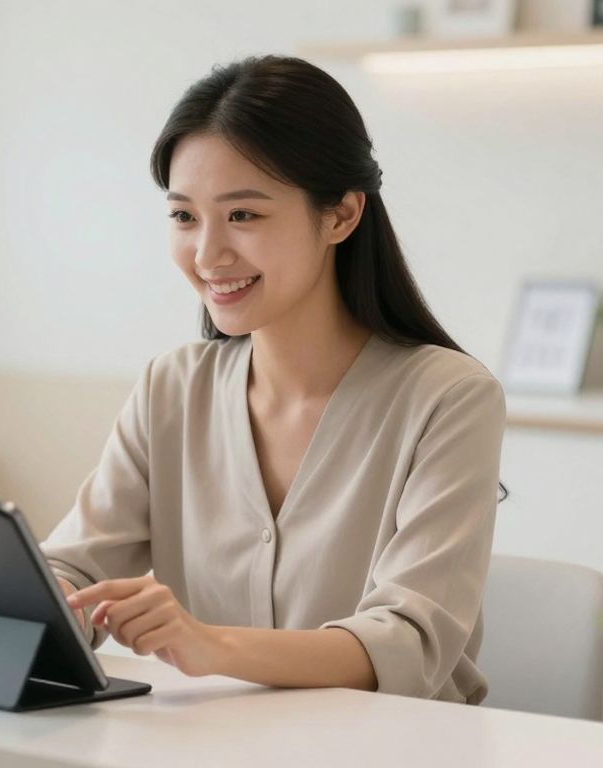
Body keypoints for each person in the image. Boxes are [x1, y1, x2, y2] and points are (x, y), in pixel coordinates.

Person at [43, 56, 506, 704]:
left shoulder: (447, 398)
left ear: (341, 215)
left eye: (243, 216)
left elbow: (410, 639)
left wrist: (210, 645)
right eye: (184, 217)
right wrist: (52, 600)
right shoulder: (172, 388)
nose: (208, 255)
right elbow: (72, 564)